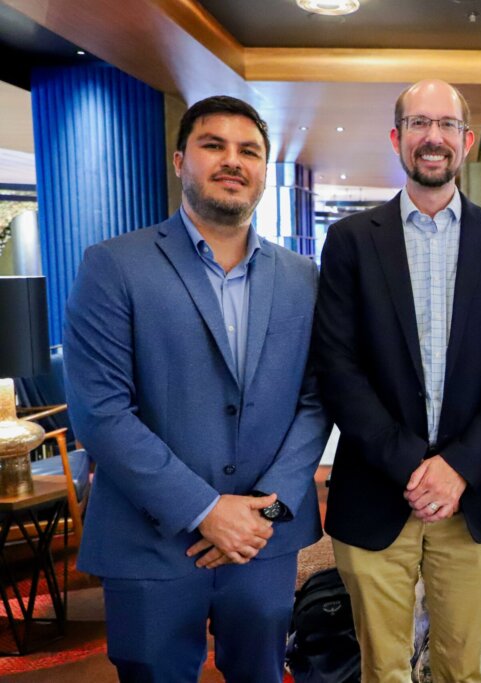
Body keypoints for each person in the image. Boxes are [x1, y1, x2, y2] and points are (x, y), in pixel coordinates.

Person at [64, 96, 330, 682]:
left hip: (264, 540)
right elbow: (101, 413)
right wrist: (206, 510)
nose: (233, 161)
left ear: (263, 170)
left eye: (249, 151)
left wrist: (269, 508)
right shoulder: (113, 265)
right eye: (215, 146)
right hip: (150, 537)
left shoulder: (302, 277)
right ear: (181, 160)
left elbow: (317, 401)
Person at [313, 79, 481, 683]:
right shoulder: (351, 241)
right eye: (417, 124)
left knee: (463, 672)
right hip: (375, 493)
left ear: (467, 141)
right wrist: (414, 464)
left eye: (445, 125)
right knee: (382, 672)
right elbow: (336, 366)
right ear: (397, 138)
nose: (432, 137)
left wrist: (457, 466)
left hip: (473, 500)